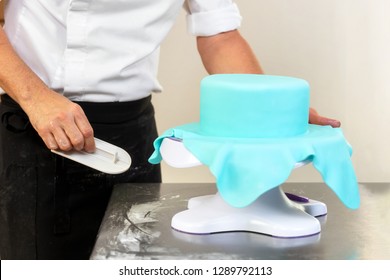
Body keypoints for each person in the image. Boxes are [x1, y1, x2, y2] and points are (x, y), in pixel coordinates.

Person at [0, 0, 340, 260]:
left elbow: (219, 35)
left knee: (131, 259)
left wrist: (271, 108)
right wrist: (36, 99)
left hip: (132, 133)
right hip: (35, 126)